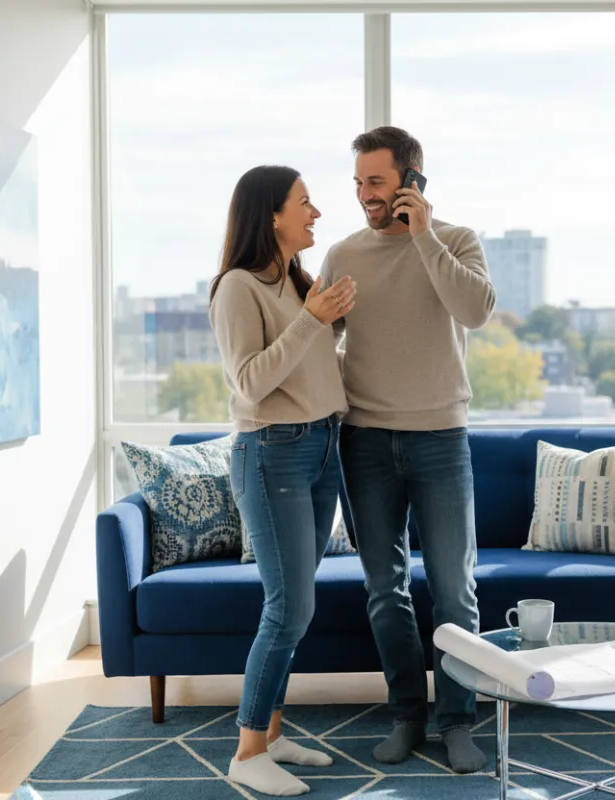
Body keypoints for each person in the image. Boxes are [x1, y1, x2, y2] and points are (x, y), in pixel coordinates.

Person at [320, 127, 496, 774]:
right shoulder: (344, 253)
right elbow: (317, 335)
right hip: (364, 442)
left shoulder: (456, 241)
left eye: (376, 181)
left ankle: (458, 720)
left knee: (455, 592)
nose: (365, 194)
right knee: (384, 589)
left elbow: (474, 311)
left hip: (441, 440)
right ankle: (407, 715)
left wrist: (421, 236)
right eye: (359, 183)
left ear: (411, 179)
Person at [210, 165, 357, 796]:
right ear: (271, 214)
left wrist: (326, 316)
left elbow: (312, 368)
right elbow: (249, 382)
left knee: (301, 605)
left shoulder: (295, 281)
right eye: (304, 202)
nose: (316, 212)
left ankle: (271, 736)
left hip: (321, 447)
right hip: (272, 454)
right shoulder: (237, 288)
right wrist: (312, 319)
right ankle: (246, 753)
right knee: (288, 608)